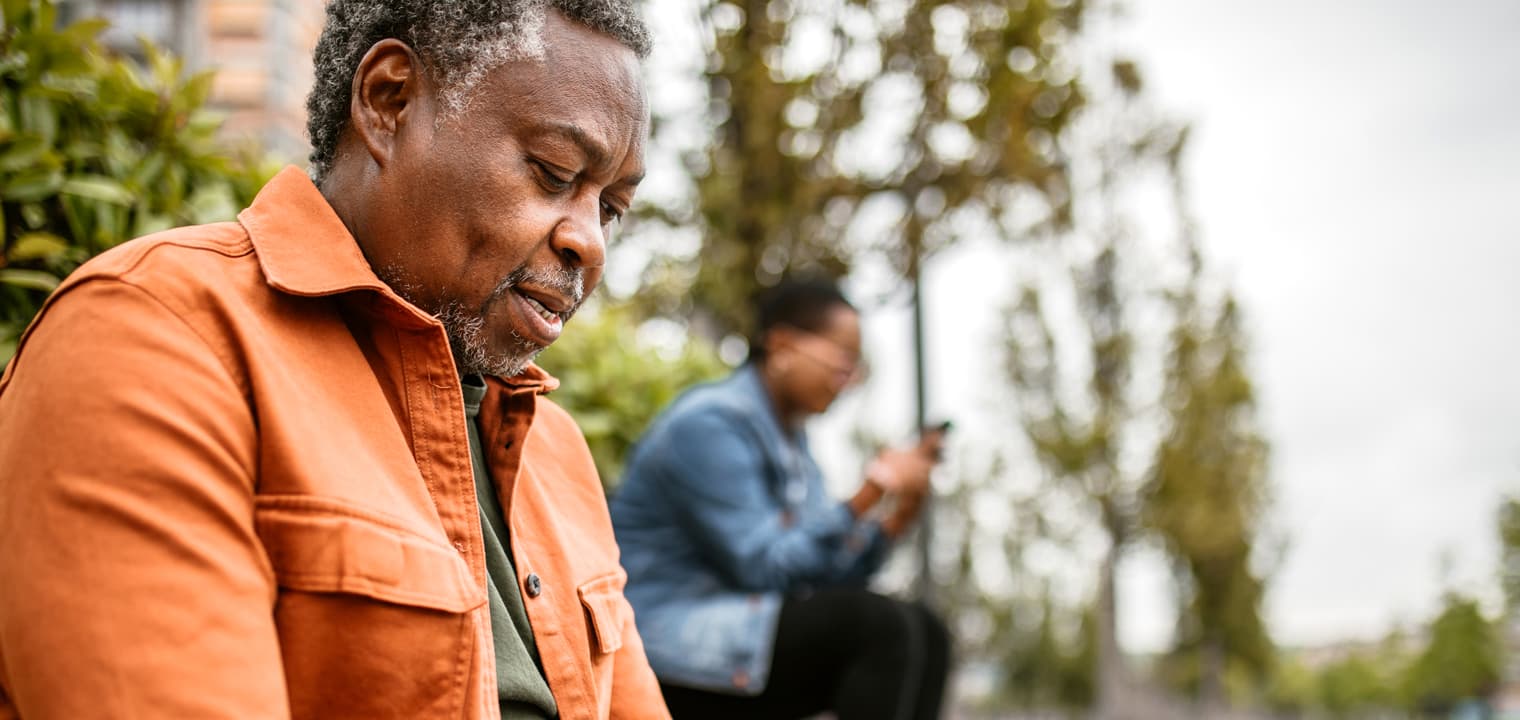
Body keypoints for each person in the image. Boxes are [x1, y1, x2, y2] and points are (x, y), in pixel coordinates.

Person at [0, 1, 669, 718]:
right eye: (552, 171)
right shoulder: (157, 338)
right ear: (389, 101)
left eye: (611, 209)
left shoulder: (555, 453)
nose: (590, 244)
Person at [610, 279, 951, 720]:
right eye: (841, 363)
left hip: (742, 627)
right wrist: (871, 491)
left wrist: (895, 519)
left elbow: (825, 574)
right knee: (879, 627)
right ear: (783, 345)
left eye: (854, 370)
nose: (846, 383)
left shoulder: (795, 442)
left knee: (927, 629)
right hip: (668, 641)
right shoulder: (709, 424)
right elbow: (763, 566)